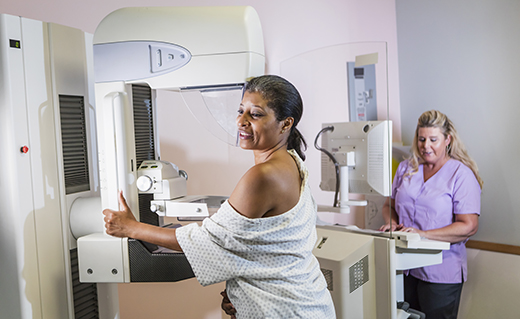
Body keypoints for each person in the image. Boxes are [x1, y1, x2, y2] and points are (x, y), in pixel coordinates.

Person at [103, 75, 336, 318]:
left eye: (255, 114)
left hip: (287, 309)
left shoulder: (263, 176)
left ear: (286, 124)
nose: (241, 122)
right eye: (240, 110)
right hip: (303, 302)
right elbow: (270, 248)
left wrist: (129, 228)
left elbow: (208, 241)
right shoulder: (293, 163)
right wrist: (243, 295)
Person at [380, 110, 483, 319]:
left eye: (433, 140)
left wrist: (422, 234)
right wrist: (391, 223)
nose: (426, 146)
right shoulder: (406, 168)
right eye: (422, 139)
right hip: (405, 267)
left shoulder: (460, 174)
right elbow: (388, 205)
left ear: (448, 140)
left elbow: (469, 226)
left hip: (441, 272)